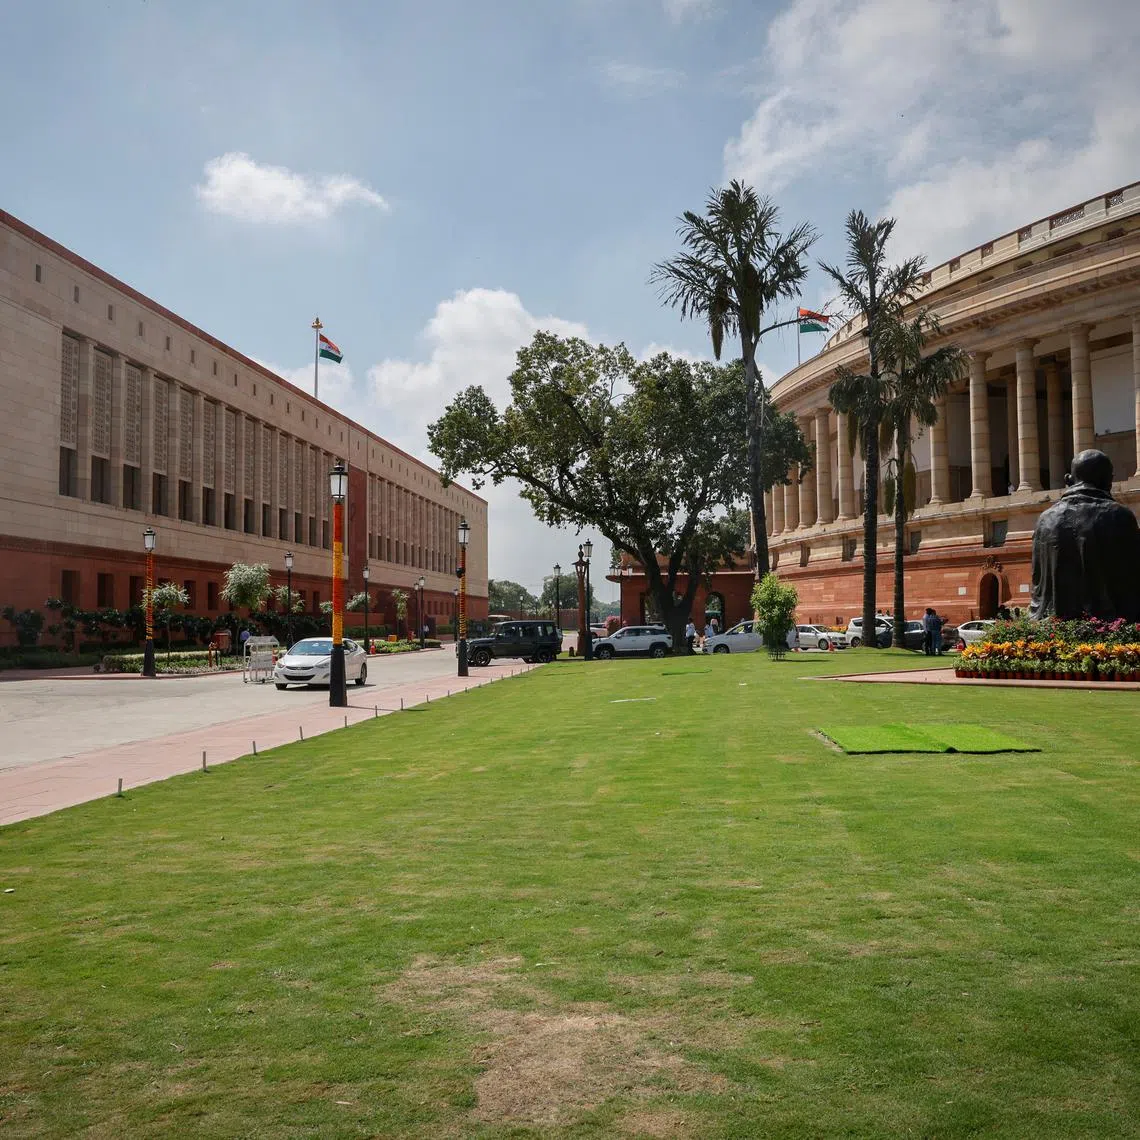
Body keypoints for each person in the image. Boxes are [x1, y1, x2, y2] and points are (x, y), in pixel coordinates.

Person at [1030, 449, 1140, 621]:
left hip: (1050, 631)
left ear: (1069, 479)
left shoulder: (1044, 520)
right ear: (1108, 481)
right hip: (1111, 629)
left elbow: (1037, 582)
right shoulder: (1120, 516)